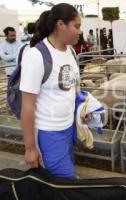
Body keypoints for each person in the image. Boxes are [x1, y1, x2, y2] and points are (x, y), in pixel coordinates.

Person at [20, 3, 82, 179]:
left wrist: (85, 108)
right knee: (68, 185)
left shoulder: (70, 52)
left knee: (59, 185)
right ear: (60, 25)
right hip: (48, 133)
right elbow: (28, 106)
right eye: (76, 26)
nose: (79, 31)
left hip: (68, 128)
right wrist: (30, 148)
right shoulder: (36, 56)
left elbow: (72, 89)